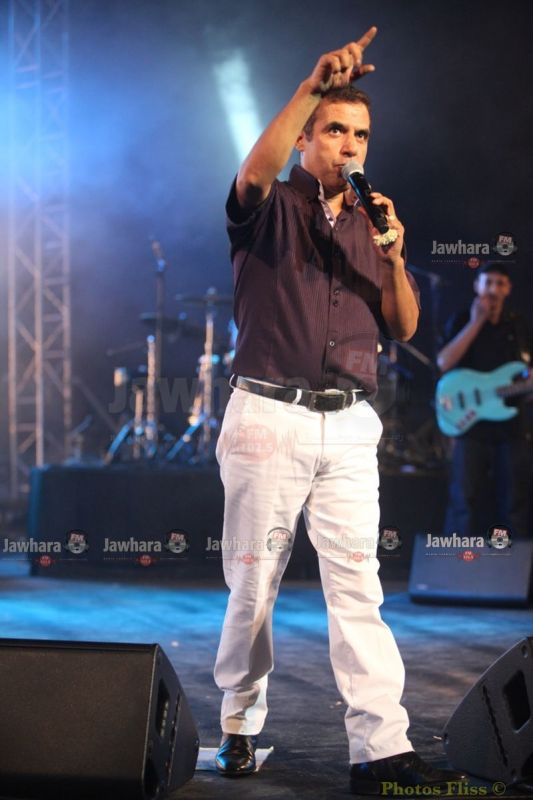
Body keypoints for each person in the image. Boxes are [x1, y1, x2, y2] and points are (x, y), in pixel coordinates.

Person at [213, 26, 466, 795]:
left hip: (350, 424)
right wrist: (309, 88)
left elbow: (404, 326)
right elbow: (252, 171)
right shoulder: (269, 205)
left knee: (359, 585)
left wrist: (393, 258)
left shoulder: (372, 221)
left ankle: (380, 750)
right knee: (253, 584)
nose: (348, 145)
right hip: (268, 418)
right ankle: (238, 724)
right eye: (333, 130)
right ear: (304, 138)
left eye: (358, 134)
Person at [437, 262, 532, 540]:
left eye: (499, 283)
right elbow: (444, 362)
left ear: (508, 289)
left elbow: (526, 370)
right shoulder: (460, 319)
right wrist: (476, 321)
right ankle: (455, 562)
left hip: (511, 427)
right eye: (487, 282)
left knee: (514, 502)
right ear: (476, 286)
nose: (493, 289)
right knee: (463, 500)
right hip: (470, 427)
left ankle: (513, 564)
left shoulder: (518, 325)